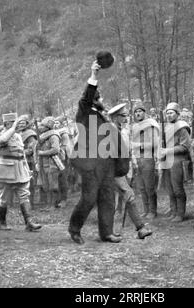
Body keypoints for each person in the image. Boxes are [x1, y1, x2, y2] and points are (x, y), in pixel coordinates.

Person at [69, 61, 127, 244]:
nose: (102, 100)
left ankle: (106, 233)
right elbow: (86, 97)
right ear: (94, 99)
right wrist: (93, 75)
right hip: (91, 164)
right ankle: (75, 229)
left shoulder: (102, 115)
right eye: (99, 97)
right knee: (89, 197)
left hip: (106, 163)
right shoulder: (85, 112)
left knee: (107, 197)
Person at [109, 103, 153, 239]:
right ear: (115, 117)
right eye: (123, 116)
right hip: (112, 171)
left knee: (122, 200)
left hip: (120, 169)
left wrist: (130, 162)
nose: (126, 118)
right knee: (128, 196)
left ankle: (115, 230)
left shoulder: (120, 130)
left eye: (126, 115)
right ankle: (140, 228)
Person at [0, 113, 42, 232]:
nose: (18, 124)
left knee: (24, 195)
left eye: (17, 122)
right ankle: (2, 222)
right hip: (6, 170)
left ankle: (29, 222)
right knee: (4, 198)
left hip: (20, 168)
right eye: (14, 122)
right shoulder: (0, 134)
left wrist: (26, 168)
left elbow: (22, 153)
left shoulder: (18, 136)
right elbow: (2, 141)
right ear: (7, 124)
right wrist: (13, 128)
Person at [159, 102, 191, 223]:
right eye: (167, 113)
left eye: (171, 112)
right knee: (170, 188)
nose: (169, 115)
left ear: (177, 114)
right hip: (166, 160)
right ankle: (173, 211)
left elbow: (185, 146)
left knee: (177, 188)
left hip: (177, 160)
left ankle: (180, 213)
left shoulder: (182, 127)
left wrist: (167, 150)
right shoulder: (166, 127)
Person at [131, 102, 160, 219]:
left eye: (140, 111)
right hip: (137, 159)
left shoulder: (151, 125)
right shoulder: (134, 126)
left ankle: (153, 211)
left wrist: (137, 145)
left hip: (148, 157)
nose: (138, 114)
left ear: (144, 112)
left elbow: (154, 143)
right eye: (136, 112)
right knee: (141, 187)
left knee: (149, 186)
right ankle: (146, 209)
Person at [36, 117, 62, 209]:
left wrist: (43, 153)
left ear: (48, 127)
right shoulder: (42, 136)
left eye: (42, 125)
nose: (40, 127)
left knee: (53, 185)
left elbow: (56, 149)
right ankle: (49, 204)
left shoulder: (53, 136)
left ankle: (54, 204)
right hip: (44, 164)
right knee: (46, 185)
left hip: (53, 163)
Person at [18, 116, 38, 208]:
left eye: (23, 123)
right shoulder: (17, 133)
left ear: (27, 124)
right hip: (19, 161)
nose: (21, 125)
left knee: (30, 182)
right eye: (20, 123)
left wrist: (20, 152)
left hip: (29, 161)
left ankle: (31, 203)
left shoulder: (30, 134)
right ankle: (23, 202)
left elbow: (32, 149)